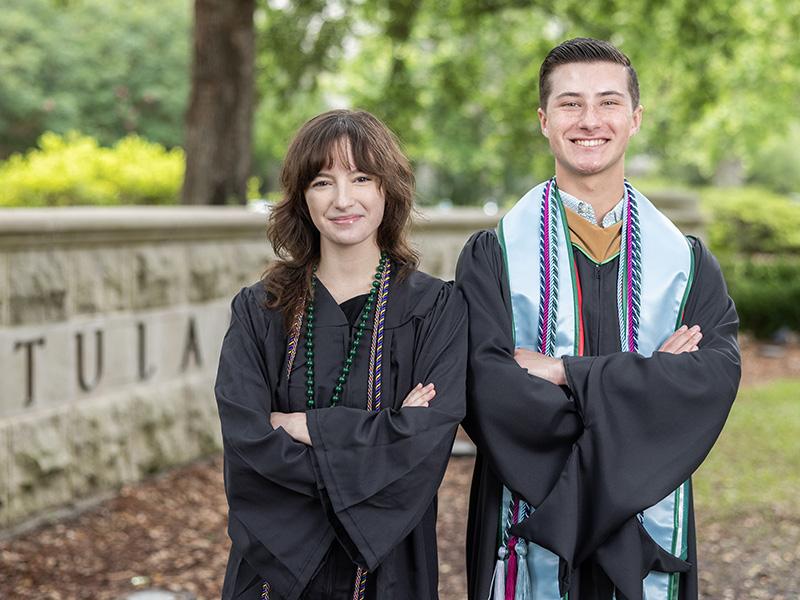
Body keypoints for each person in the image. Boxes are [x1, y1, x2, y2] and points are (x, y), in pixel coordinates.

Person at [457, 38, 741, 600]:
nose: (590, 120)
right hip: (529, 516)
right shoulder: (495, 257)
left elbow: (709, 382)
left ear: (635, 119)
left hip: (649, 522)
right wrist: (648, 380)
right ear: (544, 120)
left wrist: (564, 372)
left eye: (609, 102)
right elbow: (489, 390)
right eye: (570, 104)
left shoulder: (685, 265)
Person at [215, 109, 466, 600]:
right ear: (302, 197)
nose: (343, 199)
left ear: (387, 189)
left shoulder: (436, 309)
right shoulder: (260, 310)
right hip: (273, 572)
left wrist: (306, 427)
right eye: (322, 182)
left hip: (389, 573)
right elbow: (247, 441)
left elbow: (424, 445)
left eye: (361, 178)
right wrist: (385, 432)